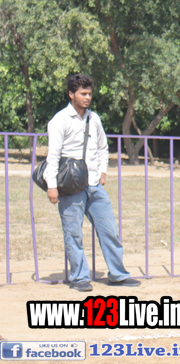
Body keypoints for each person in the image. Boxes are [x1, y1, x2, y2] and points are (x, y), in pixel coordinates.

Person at [44, 73, 141, 293]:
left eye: (89, 93)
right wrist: (51, 185)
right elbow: (53, 155)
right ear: (71, 94)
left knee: (109, 230)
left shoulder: (94, 118)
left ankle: (118, 275)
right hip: (70, 185)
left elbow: (102, 147)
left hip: (94, 185)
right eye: (83, 93)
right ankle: (79, 278)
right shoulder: (60, 120)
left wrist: (103, 171)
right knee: (73, 233)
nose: (87, 97)